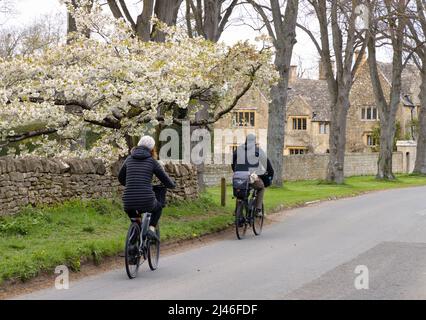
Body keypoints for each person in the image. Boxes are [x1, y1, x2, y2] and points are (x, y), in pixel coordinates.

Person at [118, 135, 176, 239]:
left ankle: (133, 242)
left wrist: (132, 184)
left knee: (135, 218)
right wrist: (172, 184)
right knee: (158, 207)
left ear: (138, 145)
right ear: (152, 148)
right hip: (146, 200)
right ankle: (151, 229)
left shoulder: (129, 159)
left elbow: (121, 178)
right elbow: (165, 179)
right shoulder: (152, 162)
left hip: (128, 201)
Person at [231, 134, 274, 215]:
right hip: (251, 177)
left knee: (240, 193)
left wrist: (237, 172)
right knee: (261, 187)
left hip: (238, 176)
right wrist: (270, 174)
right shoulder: (258, 151)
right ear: (254, 141)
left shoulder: (238, 150)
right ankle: (258, 209)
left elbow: (232, 164)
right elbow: (268, 165)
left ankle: (238, 213)